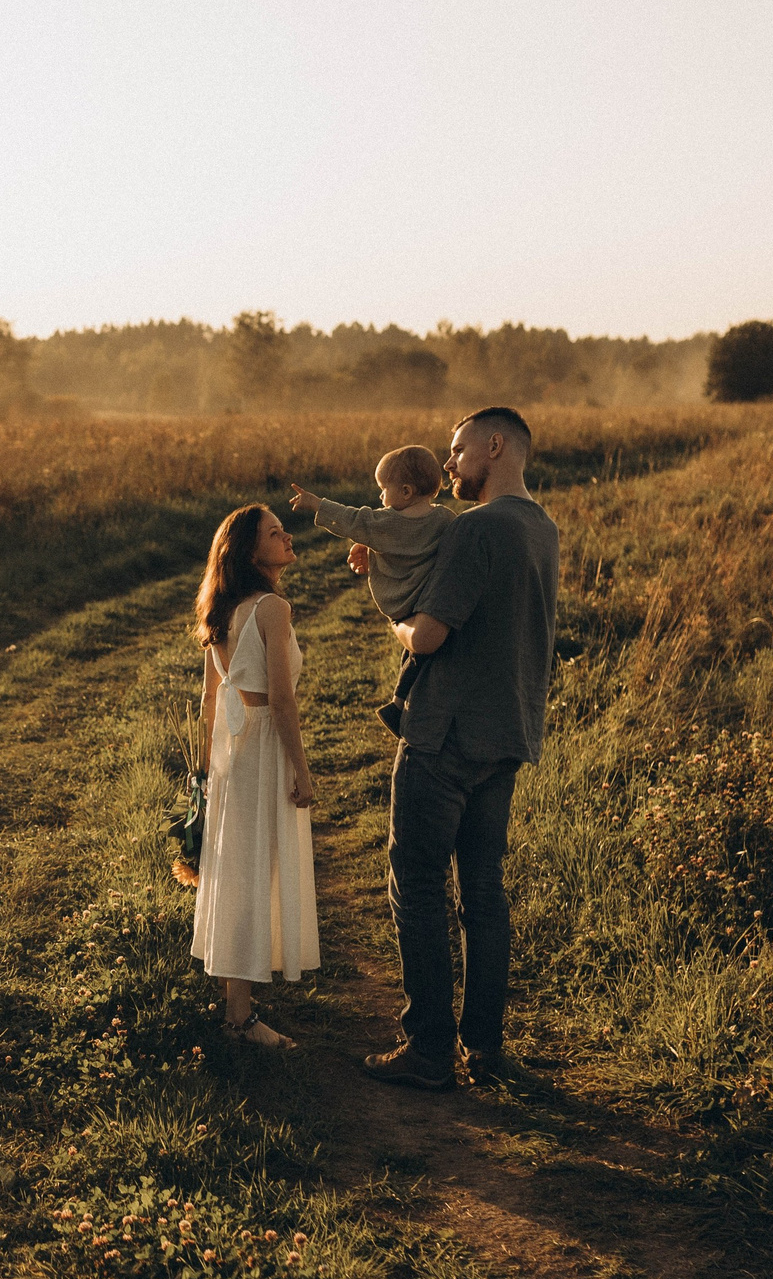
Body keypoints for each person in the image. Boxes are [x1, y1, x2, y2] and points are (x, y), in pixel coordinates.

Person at [357, 407, 559, 1091]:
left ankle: (429, 1050)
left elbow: (429, 635)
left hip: (445, 732)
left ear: (495, 446)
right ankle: (487, 1049)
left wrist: (395, 622)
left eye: (458, 449)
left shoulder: (478, 528)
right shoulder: (542, 527)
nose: (448, 464)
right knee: (484, 894)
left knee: (416, 886)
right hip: (508, 732)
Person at [188, 504, 321, 1048]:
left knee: (234, 868)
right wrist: (302, 769)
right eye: (274, 533)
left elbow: (209, 699)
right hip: (263, 743)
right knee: (254, 869)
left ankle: (236, 1006)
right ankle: (240, 1020)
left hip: (230, 752)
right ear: (250, 552)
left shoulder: (222, 608)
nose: (287, 536)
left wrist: (203, 772)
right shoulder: (271, 608)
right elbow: (283, 702)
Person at [286, 444, 455, 735]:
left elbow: (354, 520)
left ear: (405, 491)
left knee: (415, 651)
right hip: (431, 600)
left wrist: (317, 504)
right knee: (417, 656)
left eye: (383, 489)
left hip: (405, 602)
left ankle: (398, 703)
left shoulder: (386, 522)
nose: (380, 497)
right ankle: (399, 703)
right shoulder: (446, 519)